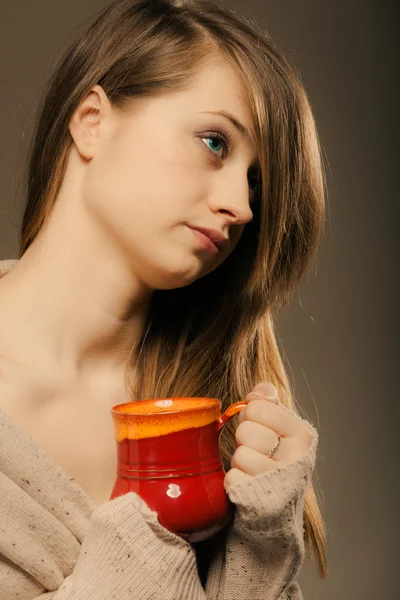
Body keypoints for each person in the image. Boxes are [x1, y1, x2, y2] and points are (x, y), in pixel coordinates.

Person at [0, 0, 328, 597]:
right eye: (214, 141)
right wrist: (139, 550)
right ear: (92, 121)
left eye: (256, 181)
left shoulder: (224, 423)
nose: (243, 205)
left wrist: (264, 542)